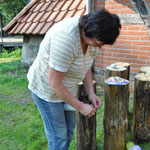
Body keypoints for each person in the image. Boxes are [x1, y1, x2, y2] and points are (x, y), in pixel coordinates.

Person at [27, 8, 121, 150]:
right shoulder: (66, 40)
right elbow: (54, 84)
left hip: (66, 90)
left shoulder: (91, 39)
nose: (100, 47)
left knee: (69, 131)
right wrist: (81, 106)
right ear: (90, 33)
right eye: (100, 42)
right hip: (46, 91)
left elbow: (86, 64)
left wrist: (91, 92)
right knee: (58, 136)